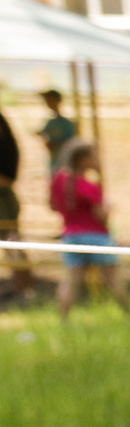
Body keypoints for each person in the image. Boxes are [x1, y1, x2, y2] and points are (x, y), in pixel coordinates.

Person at [49, 139, 129, 318]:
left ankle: (63, 319)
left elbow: (53, 205)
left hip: (70, 236)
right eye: (94, 157)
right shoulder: (89, 186)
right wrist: (108, 208)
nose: (97, 160)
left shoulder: (59, 180)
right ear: (83, 160)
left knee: (71, 280)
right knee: (113, 278)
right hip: (97, 236)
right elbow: (101, 216)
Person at [0, 102, 36, 307]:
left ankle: (24, 288)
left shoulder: (6, 147)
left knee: (12, 242)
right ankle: (20, 287)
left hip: (4, 199)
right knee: (11, 244)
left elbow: (6, 180)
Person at [38, 89, 75, 172]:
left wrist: (55, 145)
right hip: (55, 160)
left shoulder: (66, 123)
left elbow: (71, 141)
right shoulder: (51, 122)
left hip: (64, 160)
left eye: (49, 100)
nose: (47, 103)